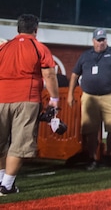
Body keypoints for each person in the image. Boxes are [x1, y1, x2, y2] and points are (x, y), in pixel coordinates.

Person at [0, 14, 60, 195]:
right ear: (36, 29)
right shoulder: (38, 47)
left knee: (1, 142)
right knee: (20, 143)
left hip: (1, 98)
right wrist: (54, 99)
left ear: (17, 29)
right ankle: (7, 185)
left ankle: (2, 179)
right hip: (27, 98)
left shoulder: (3, 48)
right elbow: (49, 75)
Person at [66, 28, 111, 170]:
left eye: (103, 39)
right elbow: (75, 74)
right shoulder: (85, 55)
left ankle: (109, 155)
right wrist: (70, 93)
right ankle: (92, 158)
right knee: (90, 130)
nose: (101, 42)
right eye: (99, 40)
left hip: (110, 95)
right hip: (89, 96)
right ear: (93, 41)